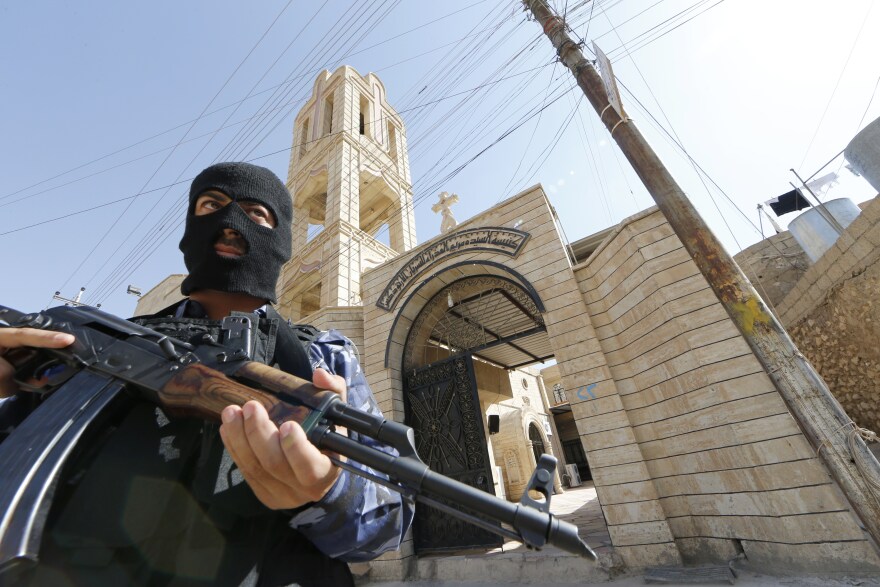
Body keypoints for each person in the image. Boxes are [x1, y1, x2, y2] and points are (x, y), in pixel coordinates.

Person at [0, 162, 413, 586]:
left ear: (283, 238)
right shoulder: (101, 341)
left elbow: (385, 528)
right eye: (212, 205)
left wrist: (329, 492)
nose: (231, 223)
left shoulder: (323, 357)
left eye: (255, 213)